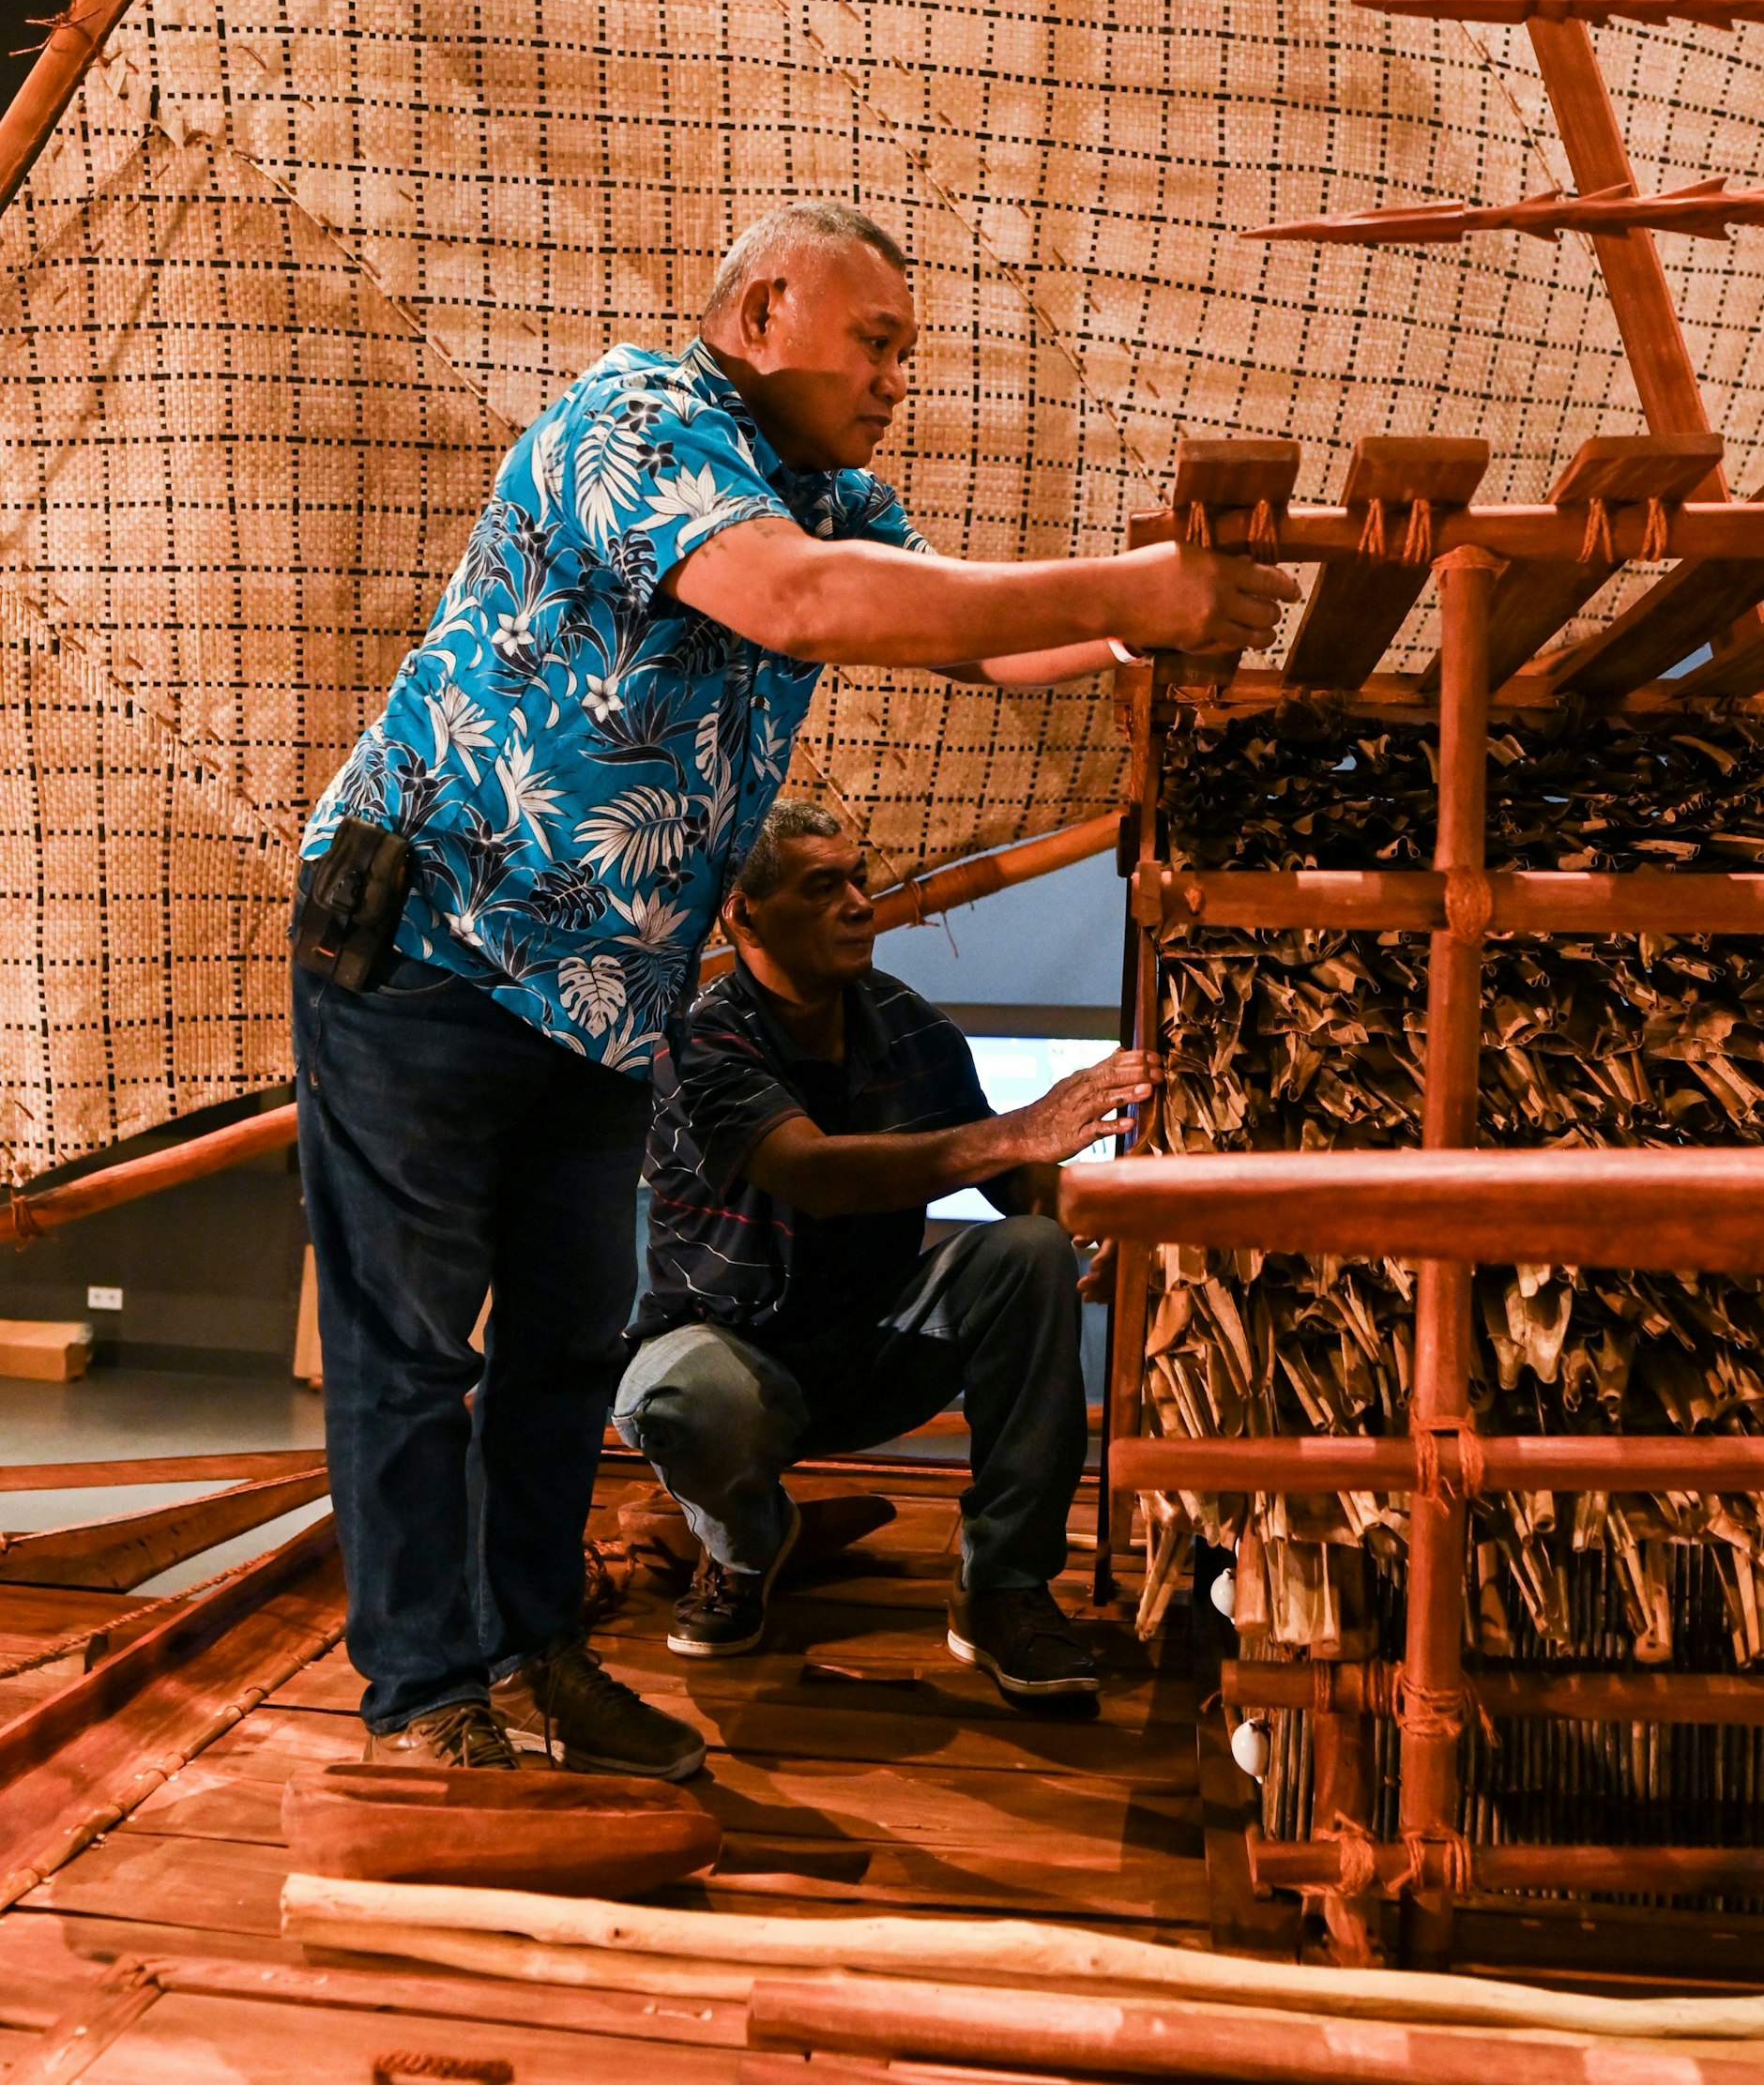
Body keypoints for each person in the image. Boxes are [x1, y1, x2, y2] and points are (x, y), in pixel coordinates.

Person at [293, 198, 1296, 1770]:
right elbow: (800, 603)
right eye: (875, 338)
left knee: (559, 1344)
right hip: (436, 950)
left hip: (601, 1000)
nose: (897, 374)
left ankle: (534, 1654)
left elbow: (969, 639)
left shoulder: (822, 490)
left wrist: (1140, 636)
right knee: (414, 1349)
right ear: (763, 311)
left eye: (905, 349)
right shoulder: (638, 421)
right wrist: (1130, 585)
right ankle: (427, 1701)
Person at [616, 799, 1155, 1697]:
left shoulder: (911, 1027)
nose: (862, 903)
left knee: (1029, 1253)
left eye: (860, 878)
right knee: (680, 1399)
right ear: (742, 914)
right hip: (734, 1356)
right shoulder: (701, 1040)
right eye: (824, 887)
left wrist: (1132, 1218)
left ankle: (1002, 1585)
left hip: (874, 1345)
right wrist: (1027, 1126)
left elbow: (1021, 1192)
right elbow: (814, 1172)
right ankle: (746, 1552)